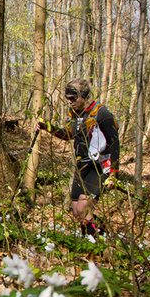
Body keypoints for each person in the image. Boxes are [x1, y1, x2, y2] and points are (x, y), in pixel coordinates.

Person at [37, 78, 119, 236]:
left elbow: (114, 142)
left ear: (84, 95)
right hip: (82, 166)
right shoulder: (73, 114)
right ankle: (100, 235)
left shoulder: (101, 113)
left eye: (73, 98)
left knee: (83, 207)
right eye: (67, 98)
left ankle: (95, 242)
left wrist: (114, 173)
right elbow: (68, 135)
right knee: (77, 211)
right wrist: (47, 127)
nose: (70, 102)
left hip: (100, 166)